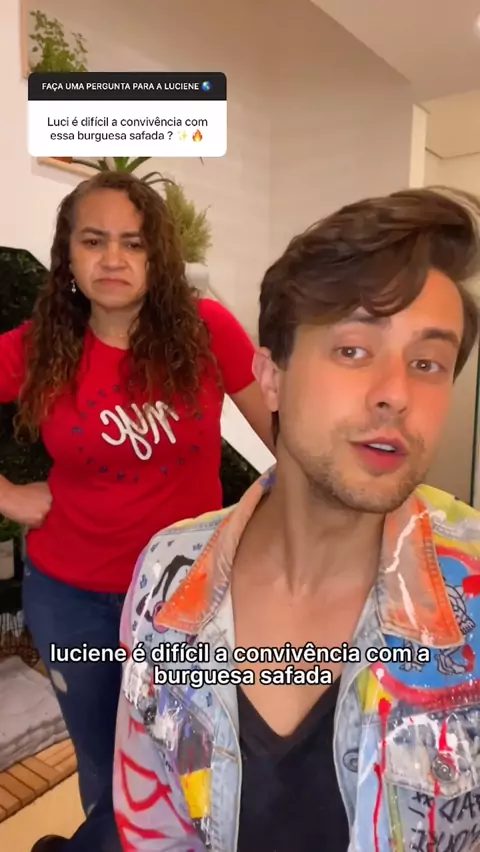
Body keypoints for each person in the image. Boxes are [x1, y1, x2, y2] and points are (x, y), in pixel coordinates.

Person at [113, 186, 480, 852]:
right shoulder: (167, 578)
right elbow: (151, 819)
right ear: (271, 378)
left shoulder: (472, 591)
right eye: (353, 350)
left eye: (428, 363)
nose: (397, 394)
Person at [0, 171, 273, 852]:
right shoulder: (41, 346)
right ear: (67, 254)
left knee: (194, 764)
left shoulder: (206, 331)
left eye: (134, 242)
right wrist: (8, 495)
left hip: (188, 601)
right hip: (73, 598)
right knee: (105, 766)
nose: (113, 259)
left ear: (159, 256)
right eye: (94, 241)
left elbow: (291, 442)